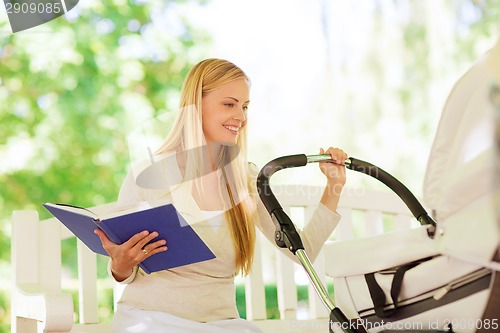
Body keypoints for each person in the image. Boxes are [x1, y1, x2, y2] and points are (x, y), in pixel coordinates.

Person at [94, 58, 348, 333]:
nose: (241, 116)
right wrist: (120, 264)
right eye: (229, 104)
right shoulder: (148, 174)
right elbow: (124, 269)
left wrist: (333, 187)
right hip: (150, 320)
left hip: (222, 325)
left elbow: (304, 251)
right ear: (195, 106)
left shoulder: (246, 181)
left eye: (245, 106)